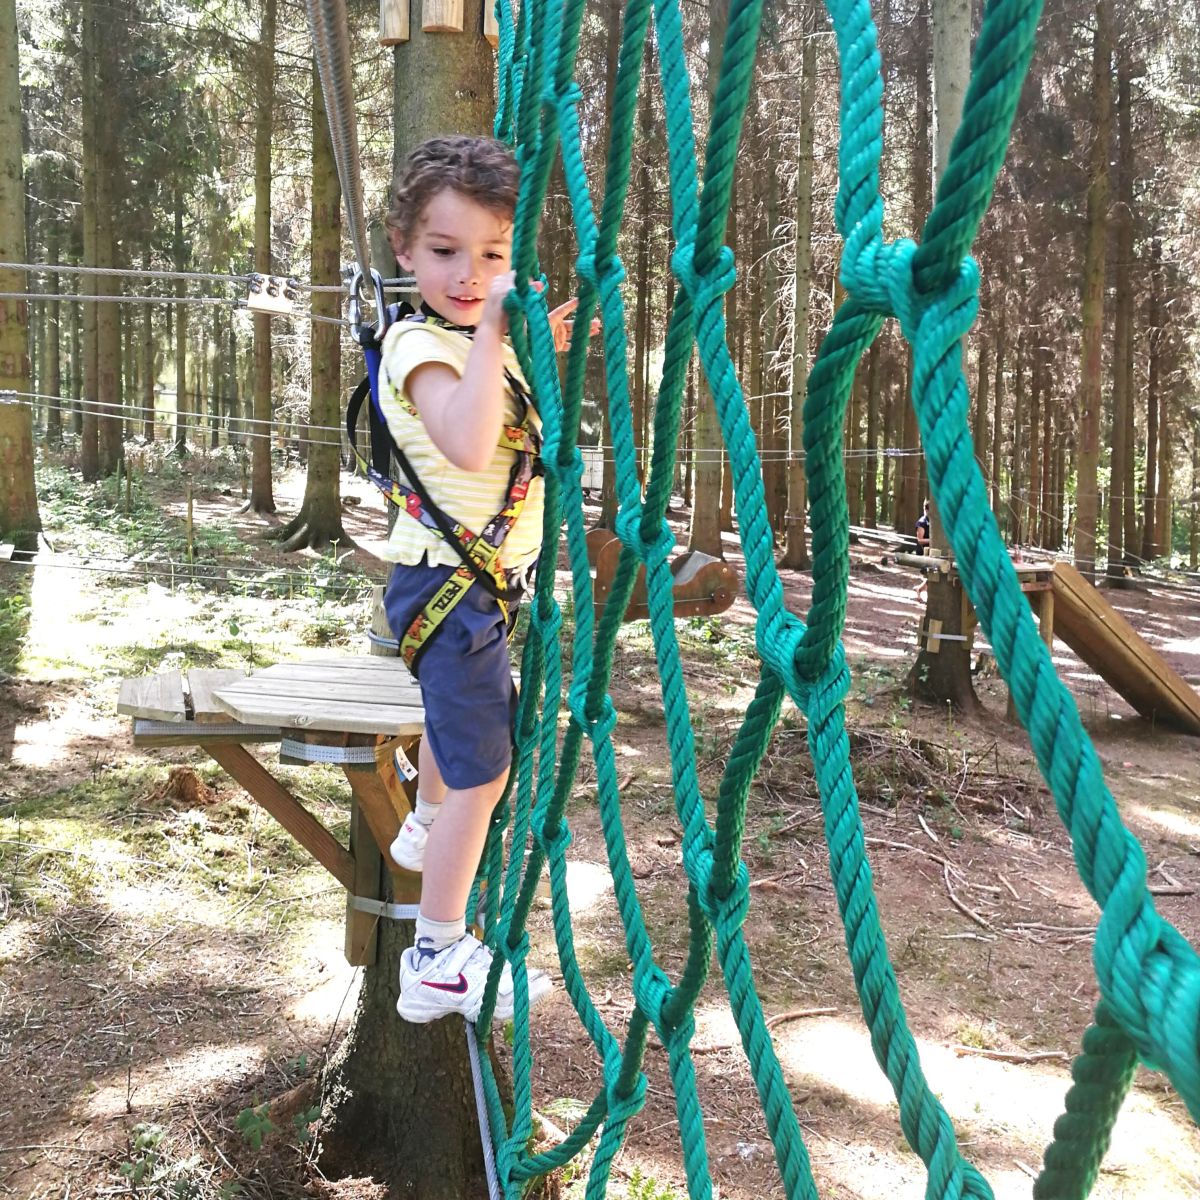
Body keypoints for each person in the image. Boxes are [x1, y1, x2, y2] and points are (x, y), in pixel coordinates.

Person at [376, 136, 584, 1024]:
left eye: (492, 255)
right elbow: (464, 441)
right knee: (483, 772)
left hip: (472, 587)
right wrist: (497, 327)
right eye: (446, 252)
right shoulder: (415, 343)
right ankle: (436, 954)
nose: (471, 274)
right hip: (449, 590)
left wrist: (523, 339)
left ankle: (427, 824)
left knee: (458, 742)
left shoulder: (468, 338)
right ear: (404, 251)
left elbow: (492, 415)